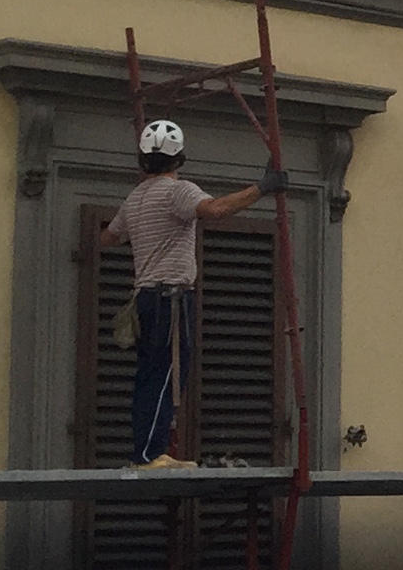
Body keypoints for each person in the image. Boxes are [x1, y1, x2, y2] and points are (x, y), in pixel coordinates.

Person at [102, 121, 286, 469]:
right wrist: (263, 187)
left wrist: (145, 236)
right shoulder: (178, 191)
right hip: (170, 297)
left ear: (142, 160)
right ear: (179, 159)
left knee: (149, 375)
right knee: (167, 374)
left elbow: (109, 237)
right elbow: (215, 210)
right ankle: (150, 455)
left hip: (145, 297)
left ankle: (148, 450)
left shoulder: (135, 198)